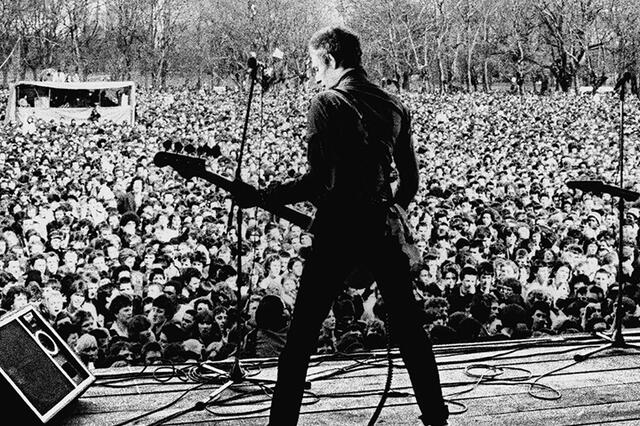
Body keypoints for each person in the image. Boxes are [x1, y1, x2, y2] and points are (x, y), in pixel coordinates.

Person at [233, 26, 448, 426]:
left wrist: (265, 195)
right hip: (381, 229)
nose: (314, 74)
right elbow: (411, 181)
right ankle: (436, 417)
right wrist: (391, 212)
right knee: (410, 331)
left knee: (301, 337)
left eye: (316, 65)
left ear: (330, 60)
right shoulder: (394, 105)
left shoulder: (326, 103)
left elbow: (319, 182)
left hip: (337, 231)